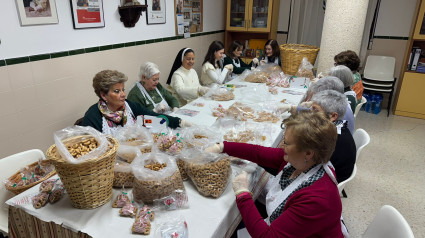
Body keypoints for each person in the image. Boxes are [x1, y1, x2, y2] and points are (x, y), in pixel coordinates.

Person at [206, 111, 345, 237]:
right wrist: (223, 147)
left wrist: (243, 194)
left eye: (287, 143)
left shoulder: (317, 200)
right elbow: (258, 153)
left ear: (308, 153)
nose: (281, 145)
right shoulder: (303, 161)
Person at [81, 70, 191, 135]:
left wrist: (180, 122)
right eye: (117, 91)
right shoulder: (93, 117)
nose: (123, 94)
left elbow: (153, 118)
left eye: (123, 90)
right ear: (103, 95)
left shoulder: (130, 107)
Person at [280, 76, 355, 134]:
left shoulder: (333, 128)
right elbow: (319, 113)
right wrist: (292, 108)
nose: (311, 111)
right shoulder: (339, 105)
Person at [310, 90, 357, 183]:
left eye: (315, 110)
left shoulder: (331, 138)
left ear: (333, 116)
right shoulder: (339, 126)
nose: (310, 113)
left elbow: (308, 160)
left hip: (328, 181)